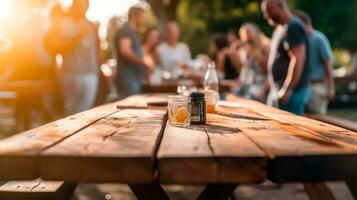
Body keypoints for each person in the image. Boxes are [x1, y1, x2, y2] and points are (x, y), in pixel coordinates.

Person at [261, 0, 311, 115]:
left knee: (290, 131)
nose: (266, 15)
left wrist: (287, 89)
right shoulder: (281, 28)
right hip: (278, 90)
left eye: (269, 11)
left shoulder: (293, 26)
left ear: (281, 6)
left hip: (291, 93)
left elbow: (298, 59)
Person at [54, 0, 101, 115]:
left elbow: (97, 49)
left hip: (91, 73)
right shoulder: (63, 23)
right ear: (74, 5)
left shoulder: (91, 25)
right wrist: (78, 36)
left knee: (86, 111)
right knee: (72, 111)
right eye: (79, 5)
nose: (81, 8)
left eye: (84, 5)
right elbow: (58, 48)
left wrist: (99, 70)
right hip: (71, 73)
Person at [295, 10, 335, 115]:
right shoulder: (300, 40)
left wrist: (331, 88)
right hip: (303, 86)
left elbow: (328, 64)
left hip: (317, 86)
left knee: (317, 118)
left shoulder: (319, 39)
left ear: (305, 23)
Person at [229, 23, 270, 102]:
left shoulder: (265, 45)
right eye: (244, 33)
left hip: (258, 83)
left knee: (250, 98)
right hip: (245, 82)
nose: (247, 35)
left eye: (249, 32)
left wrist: (256, 52)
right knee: (232, 96)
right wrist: (233, 52)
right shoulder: (244, 48)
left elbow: (267, 68)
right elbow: (241, 67)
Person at [115, 6, 149, 99]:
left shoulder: (134, 32)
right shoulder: (126, 30)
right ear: (134, 16)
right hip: (128, 79)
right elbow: (125, 50)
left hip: (134, 78)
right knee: (128, 107)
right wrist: (142, 63)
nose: (145, 20)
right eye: (143, 17)